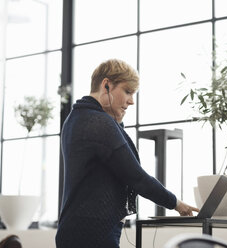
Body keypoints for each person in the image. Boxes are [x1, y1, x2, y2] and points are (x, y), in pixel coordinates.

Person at [55, 59, 199, 248]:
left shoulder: (77, 118)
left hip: (77, 231)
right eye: (127, 92)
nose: (131, 101)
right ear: (106, 85)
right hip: (92, 234)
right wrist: (177, 204)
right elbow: (137, 177)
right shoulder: (99, 123)